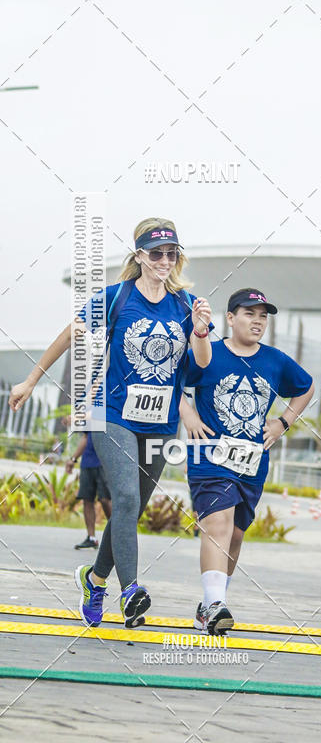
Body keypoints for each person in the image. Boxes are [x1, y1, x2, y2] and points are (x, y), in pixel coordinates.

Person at [9, 217, 213, 629]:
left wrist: (201, 332)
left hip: (160, 422)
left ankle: (95, 578)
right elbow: (69, 335)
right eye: (156, 253)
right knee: (125, 497)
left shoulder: (187, 305)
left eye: (171, 253)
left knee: (129, 509)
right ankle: (130, 590)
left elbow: (202, 366)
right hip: (110, 413)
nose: (164, 260)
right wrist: (31, 379)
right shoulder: (116, 296)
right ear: (140, 255)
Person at [180, 288, 314, 636]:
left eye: (263, 317)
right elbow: (173, 380)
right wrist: (188, 414)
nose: (257, 322)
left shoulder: (275, 360)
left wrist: (283, 422)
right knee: (218, 525)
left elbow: (306, 387)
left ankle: (209, 606)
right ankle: (215, 604)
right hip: (210, 456)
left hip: (252, 463)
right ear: (230, 318)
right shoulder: (209, 352)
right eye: (249, 314)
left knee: (236, 535)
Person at [66, 433, 112, 550]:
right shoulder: (88, 421)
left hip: (105, 462)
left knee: (105, 499)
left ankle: (117, 535)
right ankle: (91, 538)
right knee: (87, 499)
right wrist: (73, 459)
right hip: (87, 462)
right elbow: (85, 437)